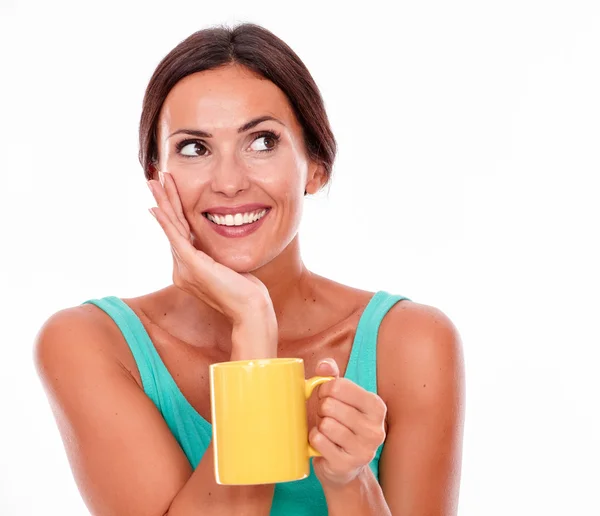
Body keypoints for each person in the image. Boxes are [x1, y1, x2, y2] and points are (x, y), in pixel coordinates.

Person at [34, 22, 465, 516]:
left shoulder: (411, 342)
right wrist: (253, 325)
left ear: (316, 165)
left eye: (261, 141)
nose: (229, 182)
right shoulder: (89, 343)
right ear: (156, 176)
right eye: (194, 147)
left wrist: (349, 481)